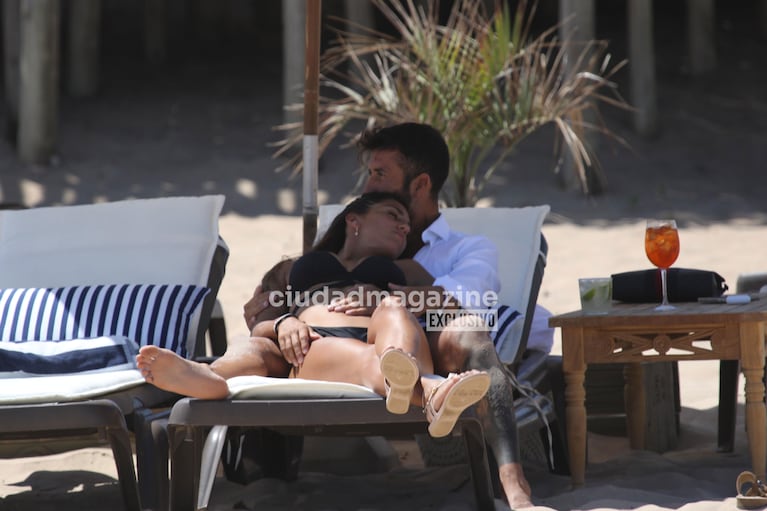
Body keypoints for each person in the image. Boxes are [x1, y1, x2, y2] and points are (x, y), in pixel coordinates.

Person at [244, 123, 535, 508]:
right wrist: (275, 312)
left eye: (380, 173)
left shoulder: (466, 249)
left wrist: (389, 300)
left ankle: (516, 490)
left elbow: (468, 299)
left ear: (420, 184)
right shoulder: (346, 244)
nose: (367, 186)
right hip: (337, 347)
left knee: (470, 330)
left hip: (431, 344)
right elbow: (270, 305)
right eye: (369, 173)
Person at [136, 191, 491, 439]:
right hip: (312, 343)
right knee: (255, 346)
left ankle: (419, 386)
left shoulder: (410, 271)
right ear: (354, 220)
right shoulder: (293, 268)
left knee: (393, 313)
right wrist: (283, 322)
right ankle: (208, 375)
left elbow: (451, 305)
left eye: (407, 225)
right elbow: (261, 314)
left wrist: (393, 295)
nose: (404, 227)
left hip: (384, 337)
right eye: (392, 215)